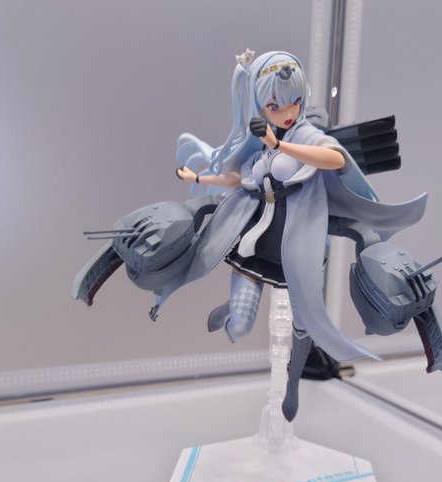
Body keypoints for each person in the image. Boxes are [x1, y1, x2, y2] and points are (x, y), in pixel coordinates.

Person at [174, 49, 427, 420]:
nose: (288, 111)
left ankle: (292, 385)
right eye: (275, 105)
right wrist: (200, 178)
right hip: (257, 241)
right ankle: (231, 308)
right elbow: (237, 178)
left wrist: (280, 145)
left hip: (300, 243)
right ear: (259, 106)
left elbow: (336, 159)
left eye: (294, 100)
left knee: (304, 324)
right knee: (239, 328)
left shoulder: (305, 134)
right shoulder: (257, 139)